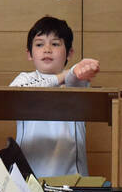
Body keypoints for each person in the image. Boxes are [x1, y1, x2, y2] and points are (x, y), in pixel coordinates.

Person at [9, 15, 100, 178]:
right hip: (28, 179)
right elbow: (15, 95)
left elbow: (74, 78)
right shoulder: (24, 79)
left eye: (55, 44)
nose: (47, 49)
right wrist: (62, 76)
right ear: (29, 54)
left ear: (69, 53)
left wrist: (76, 71)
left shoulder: (76, 81)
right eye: (39, 44)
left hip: (73, 180)